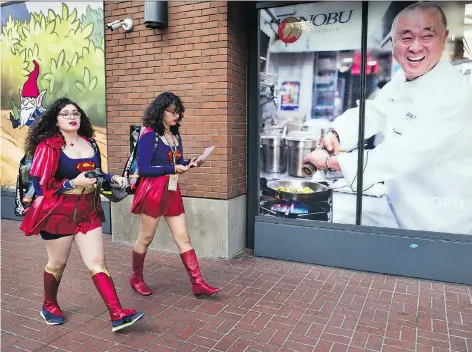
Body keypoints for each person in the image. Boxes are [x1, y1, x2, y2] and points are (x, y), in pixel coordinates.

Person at [304, 2, 472, 234]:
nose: (415, 47)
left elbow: (405, 153)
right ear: (393, 42)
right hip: (400, 210)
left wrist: (334, 162)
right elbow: (374, 111)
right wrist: (338, 133)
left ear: (443, 38)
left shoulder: (455, 95)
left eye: (427, 36)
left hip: (440, 224)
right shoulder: (402, 81)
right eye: (406, 37)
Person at [20, 98, 144, 331]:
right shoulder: (48, 147)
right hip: (57, 211)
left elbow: (95, 173)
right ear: (56, 121)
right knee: (57, 263)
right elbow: (41, 186)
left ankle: (117, 314)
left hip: (88, 209)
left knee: (97, 262)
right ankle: (49, 304)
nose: (71, 117)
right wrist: (70, 183)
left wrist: (110, 178)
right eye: (65, 114)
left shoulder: (89, 143)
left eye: (75, 113)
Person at [129, 92, 221, 298]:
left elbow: (175, 162)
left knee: (183, 237)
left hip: (171, 191)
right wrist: (171, 168)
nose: (177, 115)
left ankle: (198, 283)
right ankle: (136, 278)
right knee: (145, 237)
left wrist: (191, 162)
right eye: (173, 111)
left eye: (179, 112)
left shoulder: (175, 136)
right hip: (152, 191)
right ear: (160, 112)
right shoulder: (149, 135)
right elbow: (144, 168)